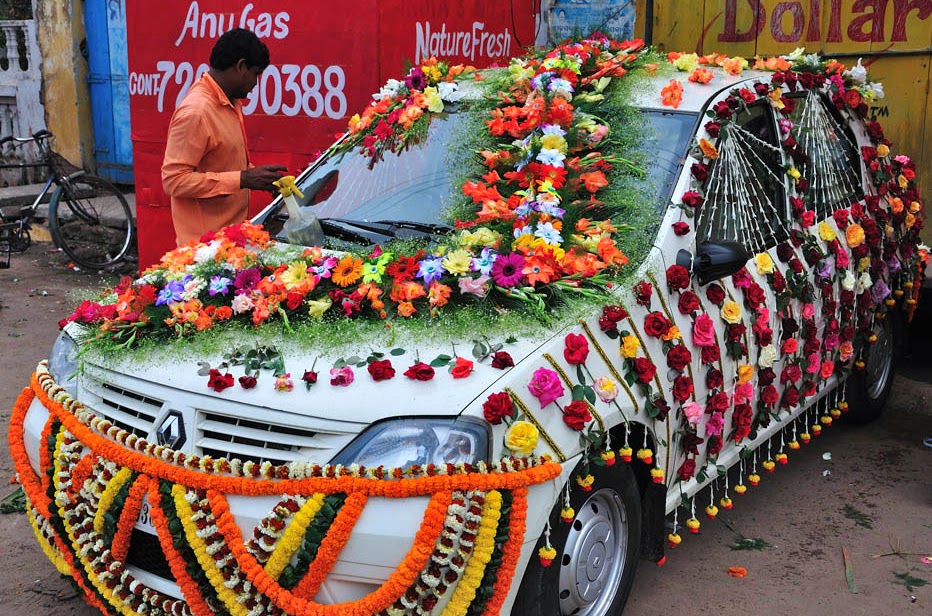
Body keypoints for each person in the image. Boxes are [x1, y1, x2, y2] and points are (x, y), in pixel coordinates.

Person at [162, 28, 286, 246]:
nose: (256, 83)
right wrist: (242, 179)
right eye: (256, 74)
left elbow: (224, 163)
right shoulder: (197, 112)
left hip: (231, 241)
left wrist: (263, 179)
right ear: (240, 66)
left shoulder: (230, 102)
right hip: (203, 248)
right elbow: (174, 181)